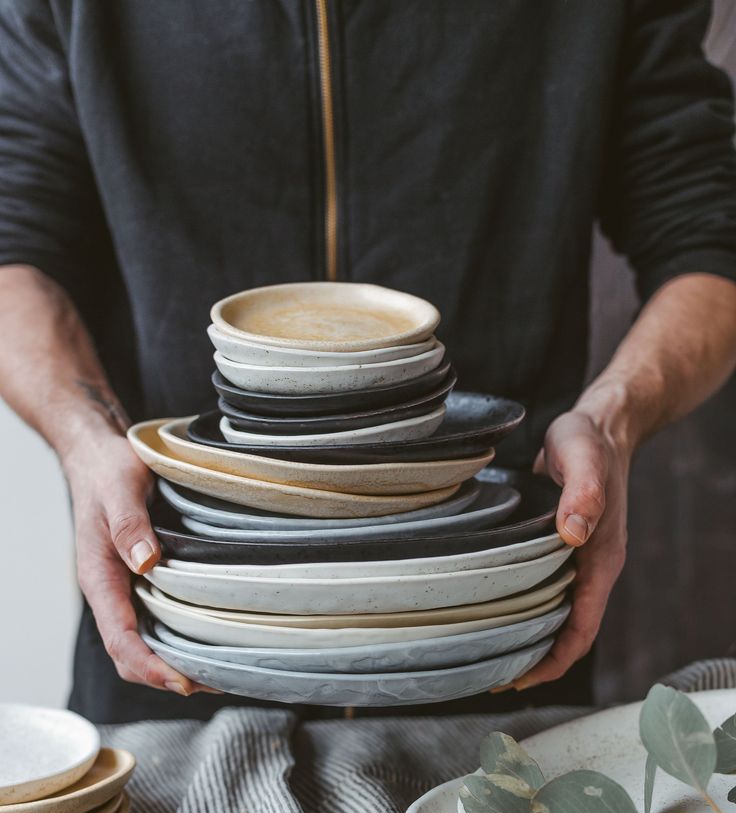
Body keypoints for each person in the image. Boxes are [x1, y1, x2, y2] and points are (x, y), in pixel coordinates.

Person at [0, 0, 735, 724]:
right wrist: (87, 440)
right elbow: (15, 247)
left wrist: (612, 420)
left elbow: (709, 241)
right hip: (177, 634)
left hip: (489, 635)